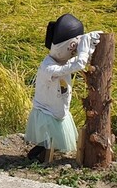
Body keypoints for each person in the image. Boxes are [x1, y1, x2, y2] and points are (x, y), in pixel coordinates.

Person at [25, 13, 101, 163]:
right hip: (47, 111)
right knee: (49, 137)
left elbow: (74, 63)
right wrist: (84, 49)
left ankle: (48, 152)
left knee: (55, 136)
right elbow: (77, 65)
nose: (73, 52)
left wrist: (88, 46)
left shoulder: (61, 63)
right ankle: (39, 154)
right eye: (72, 48)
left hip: (59, 108)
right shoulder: (49, 68)